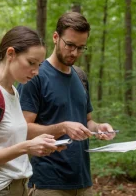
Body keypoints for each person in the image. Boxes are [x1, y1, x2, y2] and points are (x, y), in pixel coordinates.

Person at [17, 12, 116, 196]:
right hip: (48, 183)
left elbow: (87, 122)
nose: (74, 52)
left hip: (83, 182)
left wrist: (99, 127)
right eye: (70, 45)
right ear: (56, 37)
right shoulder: (35, 76)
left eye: (81, 48)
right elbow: (23, 130)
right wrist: (62, 127)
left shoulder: (80, 77)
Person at [0, 26, 61, 196]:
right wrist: (26, 147)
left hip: (18, 187)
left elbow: (6, 141)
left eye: (39, 65)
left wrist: (40, 142)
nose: (36, 72)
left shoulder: (13, 91)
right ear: (11, 54)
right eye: (31, 63)